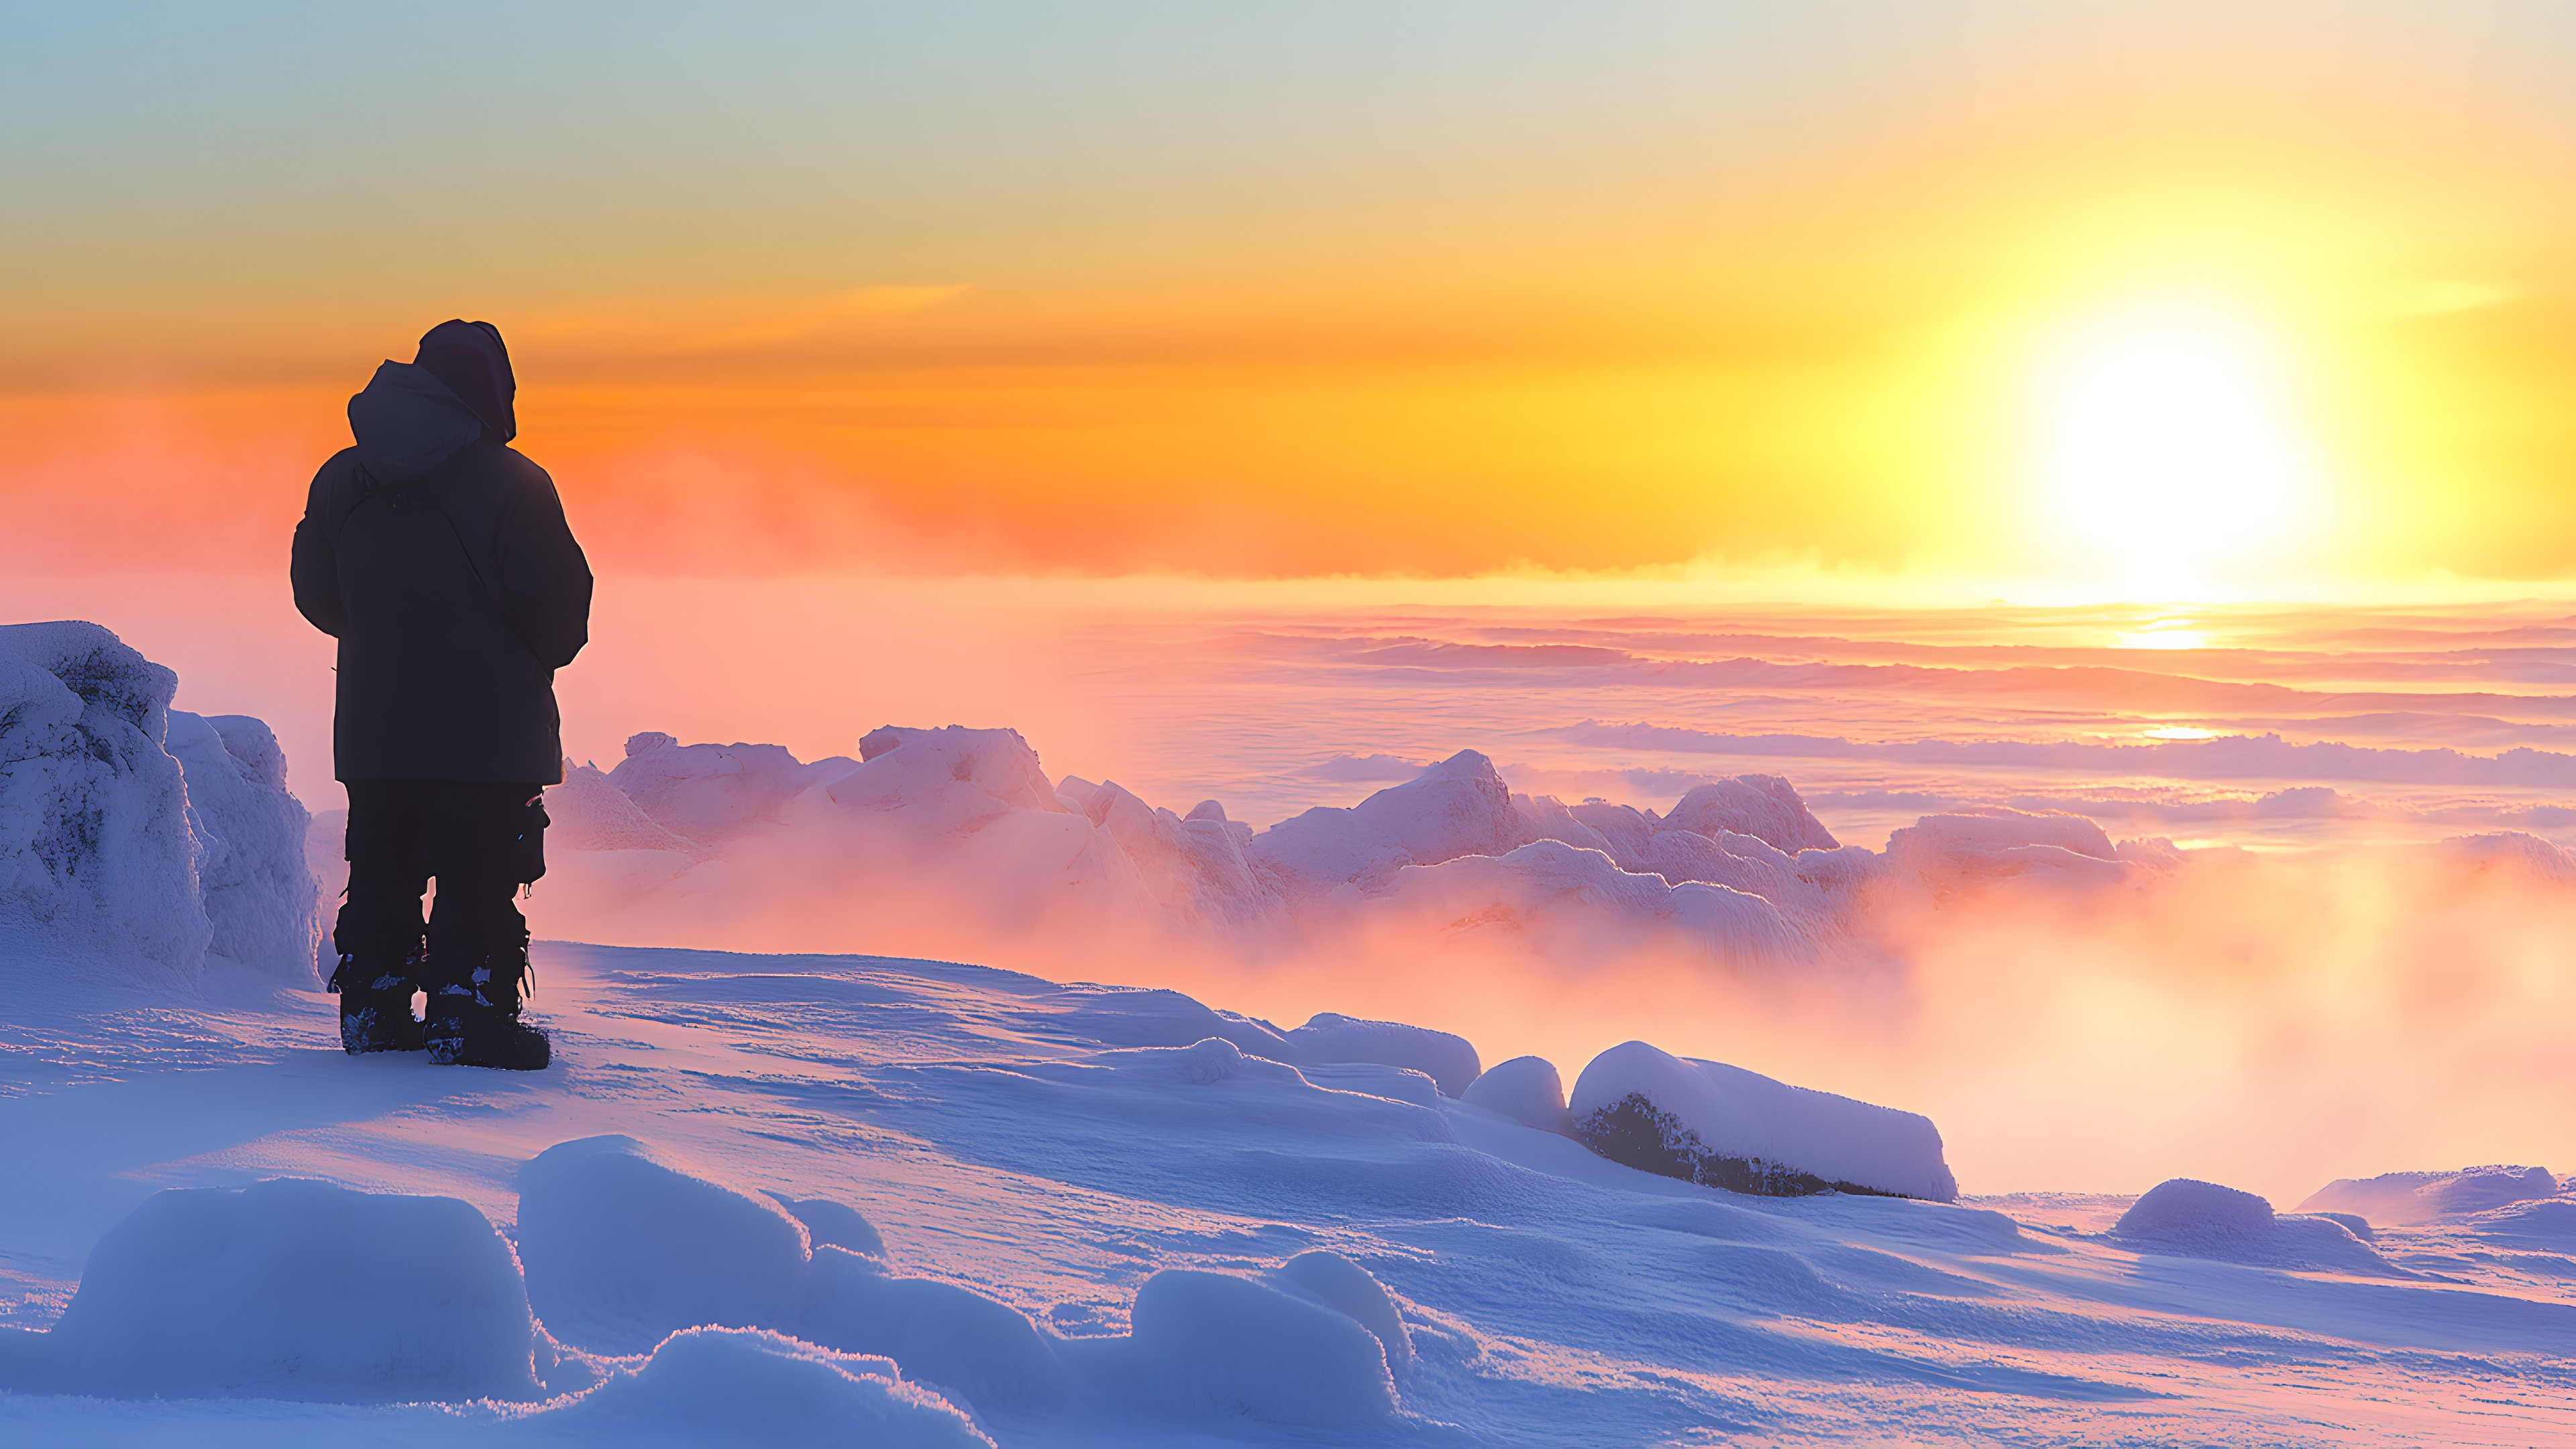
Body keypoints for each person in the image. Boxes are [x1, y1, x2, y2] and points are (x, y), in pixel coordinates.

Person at [290, 320, 592, 1069]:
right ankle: (470, 1018)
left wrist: (383, 646)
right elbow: (560, 617)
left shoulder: (342, 477)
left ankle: (374, 1010)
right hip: (490, 733)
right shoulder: (513, 482)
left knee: (384, 867)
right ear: (495, 391)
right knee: (481, 874)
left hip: (377, 727)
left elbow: (315, 593)